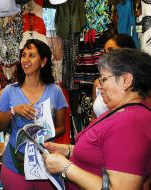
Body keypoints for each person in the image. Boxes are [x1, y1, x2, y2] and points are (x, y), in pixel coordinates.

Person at [43, 48, 151, 190]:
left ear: (126, 80)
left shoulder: (130, 123)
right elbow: (105, 151)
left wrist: (65, 167)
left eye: (103, 79)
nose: (99, 86)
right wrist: (68, 150)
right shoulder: (122, 110)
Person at [0, 39, 68, 189]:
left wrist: (42, 133)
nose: (25, 60)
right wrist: (14, 111)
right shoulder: (10, 91)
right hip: (15, 163)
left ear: (43, 61)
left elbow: (61, 128)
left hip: (46, 162)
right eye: (24, 55)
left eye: (32, 55)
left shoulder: (55, 91)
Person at [92, 33, 136, 118]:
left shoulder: (139, 83)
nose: (106, 56)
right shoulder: (98, 83)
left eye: (111, 51)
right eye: (105, 52)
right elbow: (94, 118)